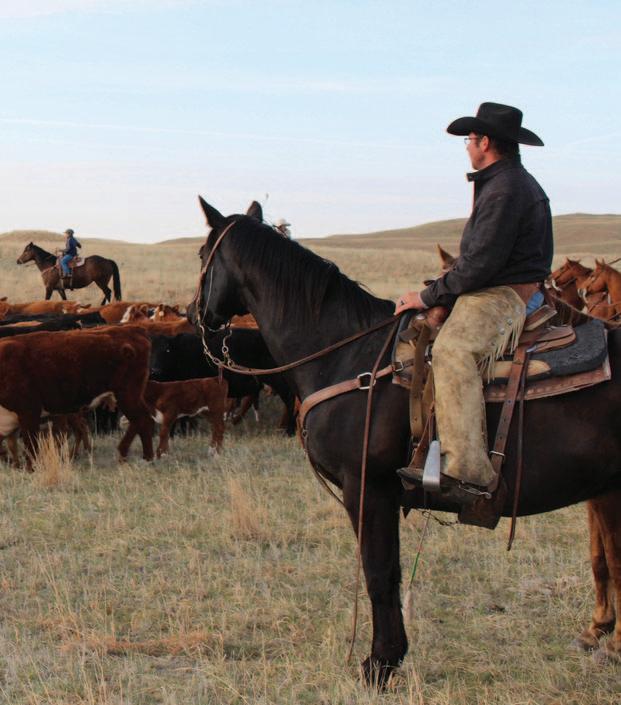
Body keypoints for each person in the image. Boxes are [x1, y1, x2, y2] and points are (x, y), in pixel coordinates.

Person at [395, 102, 553, 506]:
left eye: (469, 139)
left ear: (485, 142)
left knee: (452, 350)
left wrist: (427, 296)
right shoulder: (503, 183)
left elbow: (481, 263)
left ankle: (468, 471)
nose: (466, 146)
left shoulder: (506, 188)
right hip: (493, 286)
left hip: (503, 295)